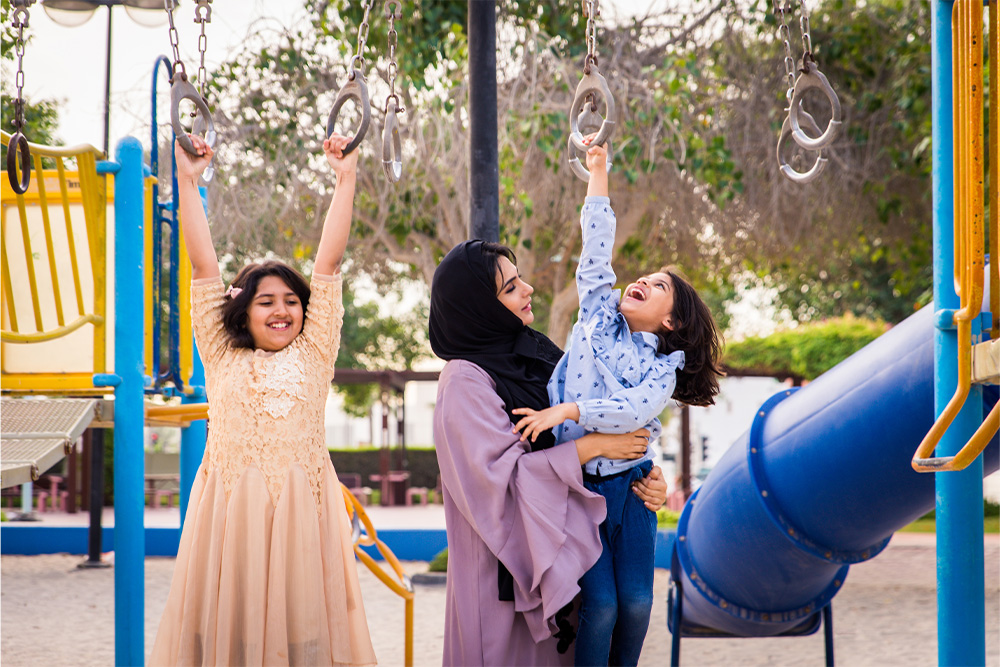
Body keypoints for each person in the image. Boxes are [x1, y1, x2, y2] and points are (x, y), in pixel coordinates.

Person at [149, 133, 376, 667]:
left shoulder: (315, 350)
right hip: (233, 514)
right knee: (232, 633)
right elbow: (204, 268)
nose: (281, 310)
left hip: (302, 513)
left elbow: (330, 261)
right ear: (243, 311)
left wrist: (346, 178)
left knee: (304, 635)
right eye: (266, 301)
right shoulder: (221, 353)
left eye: (291, 301)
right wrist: (187, 181)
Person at [511, 136, 724, 666]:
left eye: (656, 287)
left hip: (630, 488)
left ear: (670, 322)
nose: (641, 281)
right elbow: (596, 247)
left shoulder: (663, 368)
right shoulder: (596, 315)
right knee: (601, 604)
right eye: (644, 277)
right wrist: (598, 174)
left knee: (635, 601)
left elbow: (633, 413)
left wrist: (569, 411)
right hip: (581, 489)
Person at [429, 238, 670, 666]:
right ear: (476, 307)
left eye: (520, 279)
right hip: (506, 586)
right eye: (509, 288)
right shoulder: (464, 380)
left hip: (565, 572)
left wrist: (646, 476)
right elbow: (498, 486)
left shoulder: (536, 354)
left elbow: (608, 416)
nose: (528, 290)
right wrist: (591, 447)